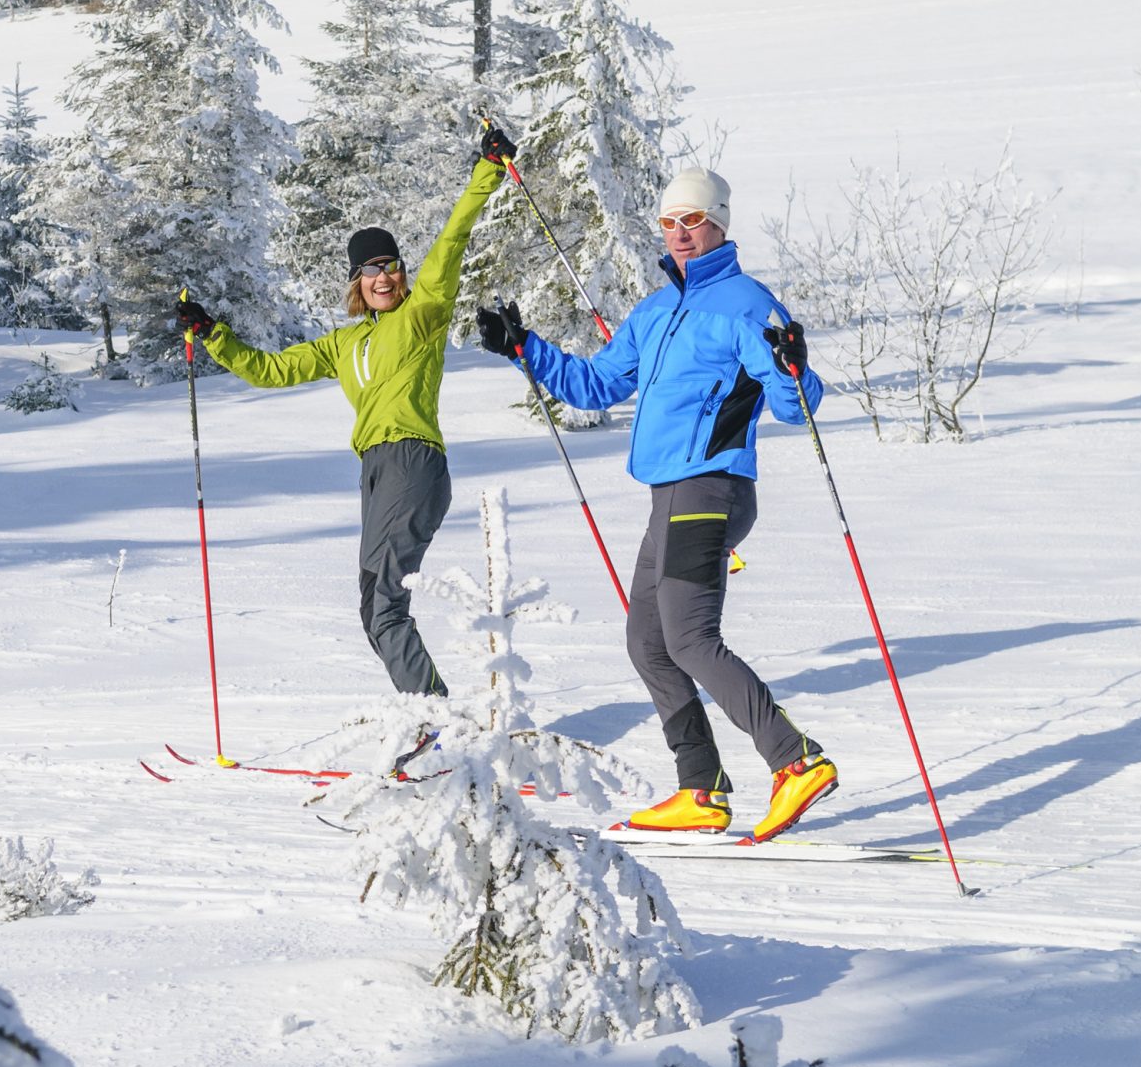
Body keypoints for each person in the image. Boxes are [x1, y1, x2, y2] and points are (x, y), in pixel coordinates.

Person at [475, 166, 838, 842]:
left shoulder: (747, 306)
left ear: (720, 224)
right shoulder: (656, 309)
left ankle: (797, 762)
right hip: (670, 495)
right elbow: (593, 385)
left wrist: (795, 365)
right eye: (670, 223)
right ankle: (700, 789)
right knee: (648, 642)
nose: (679, 235)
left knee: (690, 638)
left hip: (712, 487)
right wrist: (524, 347)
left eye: (692, 221)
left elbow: (795, 407)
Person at [174, 124, 515, 698]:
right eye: (370, 269)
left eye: (392, 266)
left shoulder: (421, 316)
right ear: (356, 281)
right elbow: (269, 369)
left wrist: (490, 169)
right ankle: (430, 712)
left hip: (413, 462)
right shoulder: (343, 344)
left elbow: (452, 240)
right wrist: (211, 334)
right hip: (376, 472)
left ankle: (433, 721)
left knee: (384, 603)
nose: (384, 277)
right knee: (371, 603)